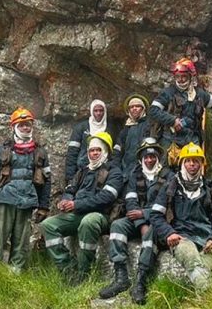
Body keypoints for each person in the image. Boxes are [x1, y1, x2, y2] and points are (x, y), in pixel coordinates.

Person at [41, 132, 123, 284]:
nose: (94, 153)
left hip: (100, 215)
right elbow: (70, 190)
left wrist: (76, 204)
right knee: (48, 225)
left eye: (98, 149)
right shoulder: (83, 171)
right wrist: (65, 201)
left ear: (106, 150)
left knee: (88, 222)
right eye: (91, 150)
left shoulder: (114, 172)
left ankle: (84, 273)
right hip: (77, 213)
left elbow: (106, 198)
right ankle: (68, 270)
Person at [99, 138, 174, 304]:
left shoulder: (169, 176)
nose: (149, 160)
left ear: (158, 157)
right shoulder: (135, 175)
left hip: (159, 220)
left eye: (152, 156)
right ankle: (121, 278)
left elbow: (168, 204)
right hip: (137, 218)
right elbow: (131, 201)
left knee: (151, 233)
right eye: (146, 157)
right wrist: (141, 223)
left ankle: (141, 281)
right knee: (117, 225)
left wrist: (145, 215)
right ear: (141, 158)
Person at [149, 143, 212, 292]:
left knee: (207, 267)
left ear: (201, 163)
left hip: (206, 239)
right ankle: (209, 299)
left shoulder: (210, 187)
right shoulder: (171, 186)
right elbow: (156, 215)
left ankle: (204, 299)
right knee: (191, 259)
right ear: (182, 163)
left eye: (196, 160)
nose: (192, 164)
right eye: (188, 160)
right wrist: (169, 233)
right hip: (181, 238)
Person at [0, 108, 51, 272]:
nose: (26, 128)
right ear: (14, 127)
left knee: (22, 242)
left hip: (27, 202)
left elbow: (47, 182)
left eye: (28, 124)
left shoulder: (40, 152)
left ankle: (16, 275)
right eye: (21, 125)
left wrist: (43, 206)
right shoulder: (1, 151)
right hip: (5, 200)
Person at [149, 58, 212, 167]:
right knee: (167, 174)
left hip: (192, 139)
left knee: (193, 173)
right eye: (178, 77)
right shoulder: (168, 93)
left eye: (183, 76)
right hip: (170, 140)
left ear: (190, 76)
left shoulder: (200, 94)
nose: (180, 80)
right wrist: (172, 120)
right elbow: (153, 110)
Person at [65, 100, 114, 182]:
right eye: (96, 110)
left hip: (104, 171)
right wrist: (70, 177)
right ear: (91, 111)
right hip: (83, 169)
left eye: (101, 110)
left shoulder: (110, 128)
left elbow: (113, 153)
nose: (98, 113)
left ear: (105, 111)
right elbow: (72, 152)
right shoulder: (81, 127)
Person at [113, 94, 152, 174]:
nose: (134, 108)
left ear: (143, 108)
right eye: (131, 107)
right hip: (125, 169)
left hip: (143, 170)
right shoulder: (126, 128)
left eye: (137, 106)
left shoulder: (150, 125)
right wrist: (116, 167)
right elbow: (118, 149)